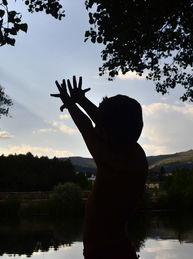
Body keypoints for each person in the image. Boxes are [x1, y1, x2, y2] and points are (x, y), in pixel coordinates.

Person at [51, 76, 148, 259]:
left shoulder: (110, 161)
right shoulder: (137, 155)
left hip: (102, 252)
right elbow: (108, 125)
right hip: (120, 247)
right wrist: (81, 100)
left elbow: (86, 127)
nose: (99, 129)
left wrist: (71, 103)